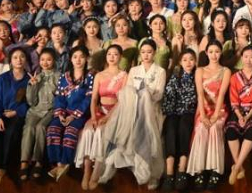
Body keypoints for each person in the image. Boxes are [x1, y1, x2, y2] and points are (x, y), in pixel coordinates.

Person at [98, 39, 167, 187]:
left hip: (151, 110)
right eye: (143, 52)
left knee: (149, 132)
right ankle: (110, 165)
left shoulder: (160, 71)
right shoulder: (134, 70)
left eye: (149, 52)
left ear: (154, 53)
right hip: (132, 109)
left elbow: (159, 94)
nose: (146, 55)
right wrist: (137, 97)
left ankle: (152, 174)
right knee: (119, 129)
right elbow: (125, 92)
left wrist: (145, 94)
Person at [75, 45, 127, 189]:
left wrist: (108, 117)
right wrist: (93, 117)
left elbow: (122, 100)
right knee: (88, 131)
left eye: (115, 54)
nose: (112, 57)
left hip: (115, 113)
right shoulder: (99, 75)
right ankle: (86, 171)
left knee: (100, 132)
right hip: (99, 110)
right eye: (109, 54)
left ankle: (96, 172)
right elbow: (94, 99)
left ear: (120, 57)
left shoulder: (124, 75)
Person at [46, 46, 95, 182]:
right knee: (52, 128)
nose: (78, 60)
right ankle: (57, 163)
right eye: (75, 57)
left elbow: (88, 99)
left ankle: (65, 162)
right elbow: (59, 97)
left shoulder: (90, 77)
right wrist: (61, 114)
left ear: (86, 59)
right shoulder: (65, 76)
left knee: (70, 131)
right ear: (71, 59)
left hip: (80, 114)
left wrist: (73, 116)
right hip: (64, 112)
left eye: (81, 57)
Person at [187, 42, 230, 190]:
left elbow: (222, 95)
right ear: (206, 53)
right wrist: (204, 116)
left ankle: (215, 171)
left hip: (220, 110)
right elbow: (200, 94)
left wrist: (216, 115)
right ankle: (199, 171)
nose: (214, 55)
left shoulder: (225, 71)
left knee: (214, 128)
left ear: (221, 53)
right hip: (203, 109)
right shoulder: (199, 70)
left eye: (217, 51)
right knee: (201, 128)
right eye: (211, 52)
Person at [0, 47, 30, 188]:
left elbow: (31, 103)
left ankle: (3, 167)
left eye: (22, 57)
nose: (19, 60)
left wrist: (16, 112)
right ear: (10, 61)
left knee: (11, 132)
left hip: (17, 115)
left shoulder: (30, 80)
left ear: (26, 60)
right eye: (15, 57)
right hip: (1, 114)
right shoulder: (2, 78)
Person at [225, 46, 252, 185]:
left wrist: (247, 117)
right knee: (230, 131)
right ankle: (239, 166)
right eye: (246, 56)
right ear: (242, 58)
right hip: (238, 110)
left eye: (251, 57)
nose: (248, 60)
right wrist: (239, 115)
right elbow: (233, 98)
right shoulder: (234, 77)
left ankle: (235, 168)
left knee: (251, 131)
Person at [161, 49, 198, 192]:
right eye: (185, 60)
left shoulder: (198, 76)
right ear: (180, 62)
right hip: (174, 111)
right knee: (170, 127)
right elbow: (169, 96)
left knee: (184, 126)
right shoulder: (175, 76)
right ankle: (170, 172)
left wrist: (188, 107)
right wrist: (169, 112)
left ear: (195, 61)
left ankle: (182, 168)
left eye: (191, 59)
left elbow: (196, 98)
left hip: (190, 112)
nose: (188, 63)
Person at [20, 48, 59, 182]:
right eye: (42, 59)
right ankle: (24, 162)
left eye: (48, 59)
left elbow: (60, 97)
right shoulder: (36, 77)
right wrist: (33, 86)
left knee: (41, 127)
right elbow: (31, 102)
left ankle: (38, 161)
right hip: (35, 110)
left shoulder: (59, 76)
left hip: (51, 110)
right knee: (29, 128)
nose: (45, 62)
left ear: (54, 61)